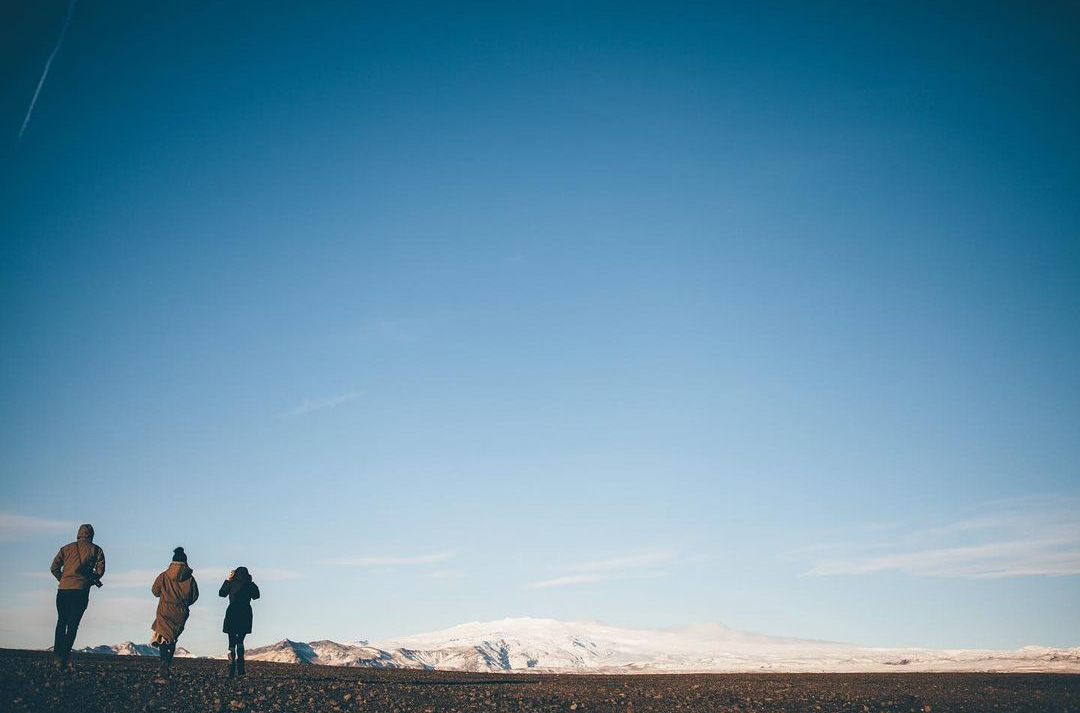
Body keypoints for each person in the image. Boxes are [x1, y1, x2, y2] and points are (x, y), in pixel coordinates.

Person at [50, 524, 106, 670]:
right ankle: (64, 658)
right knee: (73, 625)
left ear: (79, 534)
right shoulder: (96, 550)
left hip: (63, 590)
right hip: (80, 591)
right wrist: (89, 580)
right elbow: (100, 571)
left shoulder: (66, 548)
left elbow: (54, 567)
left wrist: (62, 579)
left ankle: (56, 657)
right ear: (92, 534)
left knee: (61, 622)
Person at [150, 547, 199, 681]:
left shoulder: (164, 576)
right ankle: (167, 663)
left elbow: (155, 591)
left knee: (163, 637)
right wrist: (184, 604)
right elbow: (194, 597)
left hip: (164, 610)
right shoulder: (190, 579)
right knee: (172, 638)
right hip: (181, 612)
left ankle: (163, 662)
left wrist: (165, 594)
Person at [219, 567, 260, 677]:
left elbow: (221, 593)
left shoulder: (232, 583)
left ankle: (231, 667)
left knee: (231, 641)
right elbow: (257, 596)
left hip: (232, 612)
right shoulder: (250, 584)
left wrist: (228, 580)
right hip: (245, 613)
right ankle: (241, 667)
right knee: (240, 640)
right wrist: (251, 582)